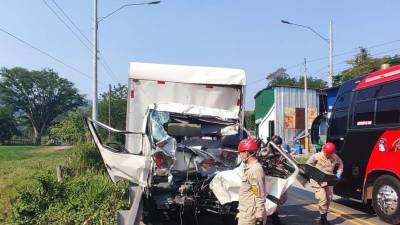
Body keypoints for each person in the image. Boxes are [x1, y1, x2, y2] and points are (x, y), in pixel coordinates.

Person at [307, 142, 343, 225]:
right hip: (318, 181)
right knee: (323, 199)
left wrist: (339, 173)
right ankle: (322, 219)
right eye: (327, 153)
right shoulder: (317, 156)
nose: (328, 155)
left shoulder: (334, 156)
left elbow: (341, 163)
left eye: (330, 154)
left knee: (329, 199)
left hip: (329, 180)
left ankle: (324, 218)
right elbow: (308, 164)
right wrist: (312, 174)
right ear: (324, 151)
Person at [237, 137, 266, 225]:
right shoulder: (250, 168)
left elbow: (259, 194)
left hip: (249, 215)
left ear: (246, 152)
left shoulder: (255, 170)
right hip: (245, 210)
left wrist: (259, 217)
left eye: (240, 152)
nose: (240, 155)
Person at [267, 135, 286, 225]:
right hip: (269, 178)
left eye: (279, 144)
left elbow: (286, 162)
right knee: (273, 198)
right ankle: (274, 216)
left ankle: (273, 214)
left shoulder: (282, 152)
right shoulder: (266, 151)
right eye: (276, 144)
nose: (278, 146)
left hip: (279, 177)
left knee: (283, 198)